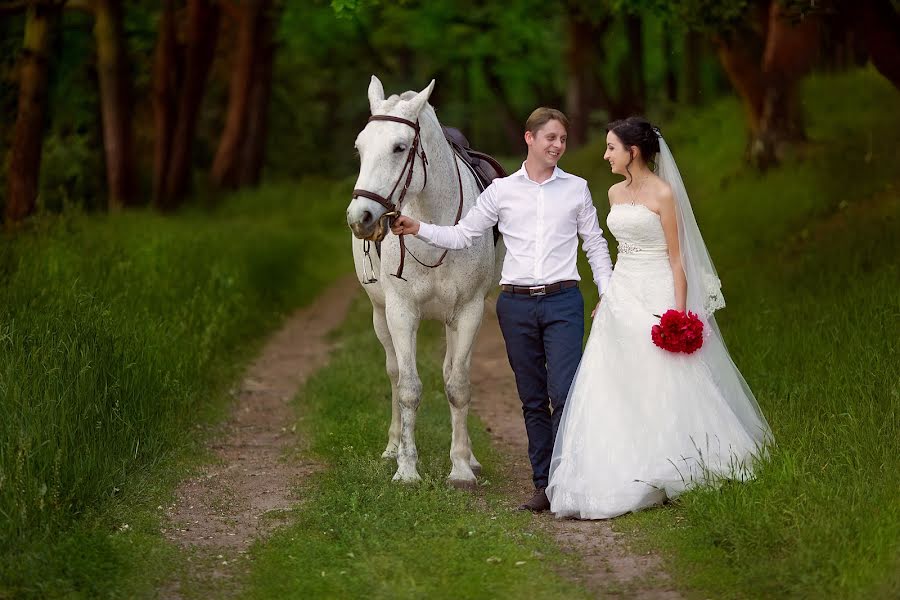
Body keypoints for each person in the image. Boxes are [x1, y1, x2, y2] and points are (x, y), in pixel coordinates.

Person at [545, 117, 773, 519]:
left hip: (659, 290)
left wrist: (679, 313)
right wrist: (609, 294)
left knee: (664, 374)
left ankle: (678, 459)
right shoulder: (614, 193)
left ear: (633, 151)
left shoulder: (664, 194)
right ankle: (624, 459)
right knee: (616, 376)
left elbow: (677, 258)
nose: (605, 155)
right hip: (624, 291)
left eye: (611, 147)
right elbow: (620, 253)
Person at [390, 108, 613, 512]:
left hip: (564, 301)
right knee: (531, 399)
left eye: (562, 139)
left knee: (562, 393)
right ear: (529, 139)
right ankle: (543, 483)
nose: (558, 146)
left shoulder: (576, 189)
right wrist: (417, 227)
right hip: (516, 305)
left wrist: (608, 294)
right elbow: (461, 235)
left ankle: (569, 480)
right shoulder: (500, 192)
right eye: (550, 138)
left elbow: (595, 244)